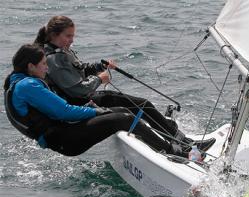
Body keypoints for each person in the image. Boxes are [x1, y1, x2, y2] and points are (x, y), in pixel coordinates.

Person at [33, 15, 215, 152]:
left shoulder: (62, 50)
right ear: (54, 35)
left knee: (141, 104)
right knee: (138, 107)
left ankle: (181, 141)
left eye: (73, 36)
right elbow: (77, 90)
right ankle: (176, 147)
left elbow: (79, 69)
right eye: (68, 36)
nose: (72, 40)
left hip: (86, 98)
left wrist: (99, 66)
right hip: (82, 103)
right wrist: (100, 79)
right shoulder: (54, 58)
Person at [3, 44, 190, 157]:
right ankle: (173, 152)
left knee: (122, 112)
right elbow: (64, 111)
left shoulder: (19, 82)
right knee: (123, 118)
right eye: (43, 64)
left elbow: (58, 111)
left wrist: (88, 108)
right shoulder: (27, 86)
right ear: (30, 66)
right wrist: (95, 111)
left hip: (63, 134)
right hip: (64, 140)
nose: (47, 68)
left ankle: (165, 146)